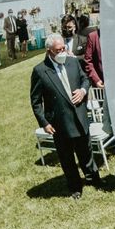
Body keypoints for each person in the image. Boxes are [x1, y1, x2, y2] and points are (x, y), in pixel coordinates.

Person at [30, 33, 100, 199]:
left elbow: (85, 80)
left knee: (86, 151)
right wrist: (44, 122)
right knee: (67, 157)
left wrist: (83, 91)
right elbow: (35, 101)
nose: (62, 52)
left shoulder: (73, 61)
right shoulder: (40, 71)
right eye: (58, 50)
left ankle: (94, 178)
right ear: (49, 52)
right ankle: (75, 187)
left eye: (63, 48)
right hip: (59, 122)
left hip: (79, 115)